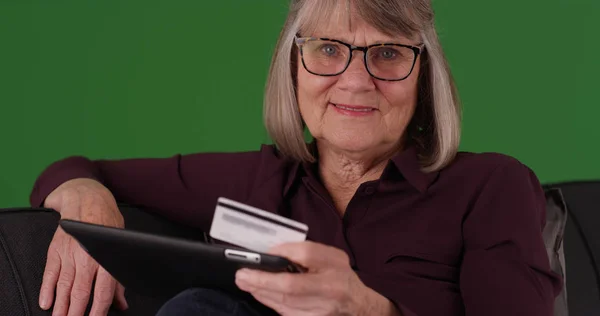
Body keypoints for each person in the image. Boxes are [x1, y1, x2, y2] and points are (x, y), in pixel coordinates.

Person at [30, 0, 562, 315]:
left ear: (425, 79)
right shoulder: (257, 178)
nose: (355, 80)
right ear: (294, 68)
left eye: (389, 53)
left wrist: (370, 310)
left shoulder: (491, 185)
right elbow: (81, 170)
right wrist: (86, 203)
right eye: (328, 49)